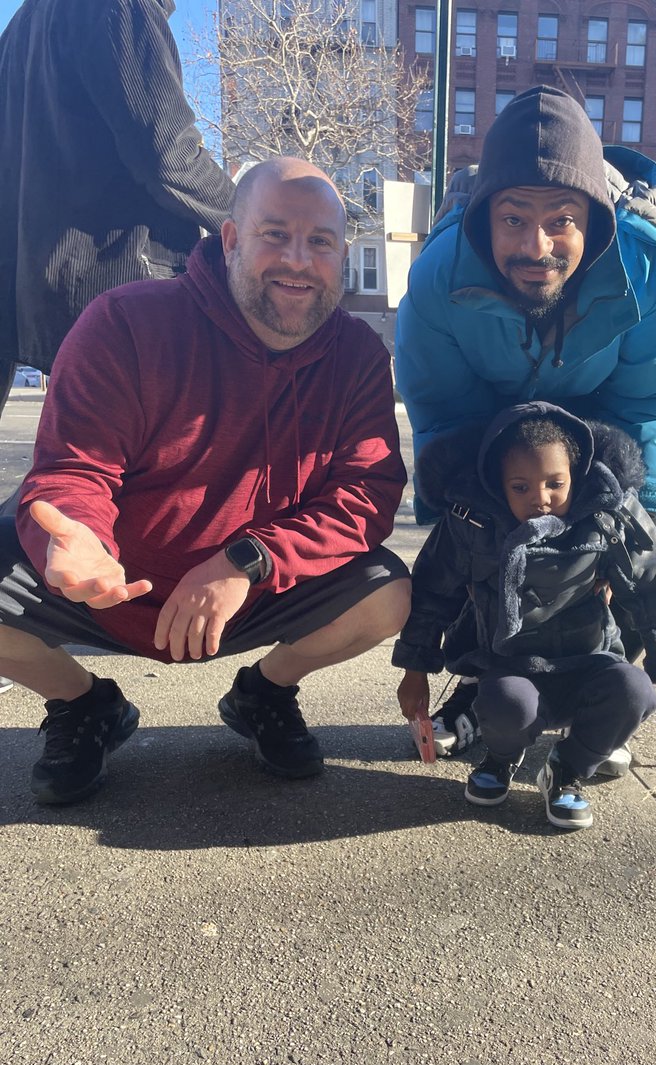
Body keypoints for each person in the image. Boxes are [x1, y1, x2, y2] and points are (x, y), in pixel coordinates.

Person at [0, 157, 410, 806]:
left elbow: (365, 495)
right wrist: (77, 539)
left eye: (321, 241)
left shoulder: (357, 354)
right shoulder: (125, 322)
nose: (299, 260)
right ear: (231, 239)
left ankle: (265, 692)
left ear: (342, 255)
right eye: (275, 234)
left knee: (388, 596)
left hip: (252, 588)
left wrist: (247, 560)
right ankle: (82, 702)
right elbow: (75, 468)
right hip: (118, 581)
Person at [394, 85, 656, 757]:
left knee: (612, 552)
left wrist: (628, 523)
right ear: (484, 219)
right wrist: (460, 526)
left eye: (561, 220)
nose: (534, 246)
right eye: (512, 218)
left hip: (605, 422)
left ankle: (604, 697)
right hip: (491, 421)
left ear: (595, 219)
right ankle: (485, 682)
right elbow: (445, 416)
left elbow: (651, 408)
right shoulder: (439, 279)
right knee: (488, 547)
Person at [393, 402, 656, 830]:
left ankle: (567, 768)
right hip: (512, 665)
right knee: (506, 705)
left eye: (555, 484)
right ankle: (501, 757)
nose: (540, 499)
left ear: (575, 473)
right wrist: (415, 669)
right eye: (520, 487)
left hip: (589, 659)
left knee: (634, 691)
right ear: (497, 483)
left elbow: (654, 586)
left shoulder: (607, 511)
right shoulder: (471, 520)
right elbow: (432, 592)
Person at [0, 0, 236, 421]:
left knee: (82, 454)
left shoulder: (20, 26)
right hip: (121, 293)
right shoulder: (121, 6)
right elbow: (169, 156)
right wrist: (259, 218)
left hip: (40, 292)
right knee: (139, 457)